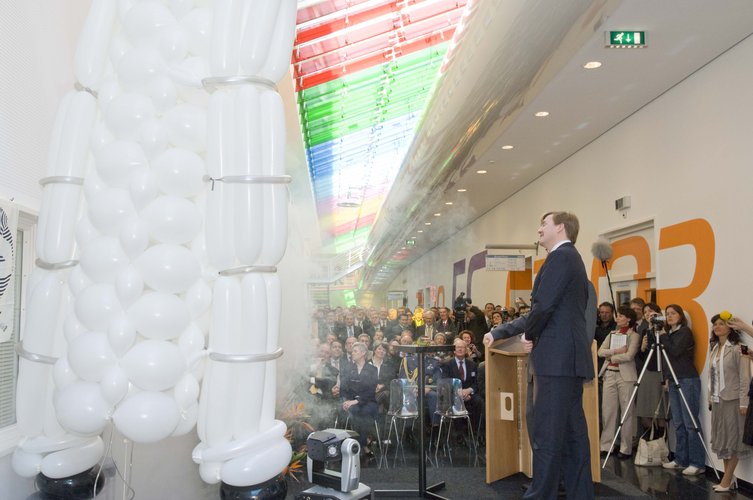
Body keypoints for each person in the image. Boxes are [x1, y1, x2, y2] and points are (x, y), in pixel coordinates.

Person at [485, 211, 594, 499]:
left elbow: (543, 308)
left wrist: (530, 336)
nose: (539, 229)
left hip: (557, 363)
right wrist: (500, 332)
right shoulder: (572, 258)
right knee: (573, 438)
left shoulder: (560, 258)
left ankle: (539, 495)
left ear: (560, 227)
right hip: (566, 362)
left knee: (547, 436)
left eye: (544, 224)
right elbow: (547, 311)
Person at [658, 304, 705, 476]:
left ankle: (697, 462)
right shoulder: (668, 334)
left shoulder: (684, 332)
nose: (669, 316)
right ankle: (680, 458)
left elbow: (676, 351)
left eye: (673, 313)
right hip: (673, 379)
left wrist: (663, 336)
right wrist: (666, 378)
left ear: (680, 316)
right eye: (667, 314)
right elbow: (663, 358)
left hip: (687, 379)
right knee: (678, 423)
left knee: (690, 423)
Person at [707, 313, 750, 491]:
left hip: (734, 401)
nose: (717, 327)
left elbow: (745, 377)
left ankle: (726, 480)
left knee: (733, 440)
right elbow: (712, 376)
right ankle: (729, 478)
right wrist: (710, 397)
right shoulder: (714, 347)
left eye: (721, 324)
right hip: (718, 400)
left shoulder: (742, 347)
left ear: (730, 327)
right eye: (715, 324)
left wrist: (744, 402)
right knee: (722, 439)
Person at [597, 305, 640, 459]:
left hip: (626, 377)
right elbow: (600, 351)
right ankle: (606, 445)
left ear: (629, 319)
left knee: (626, 413)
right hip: (609, 374)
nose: (618, 318)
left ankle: (625, 447)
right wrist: (615, 352)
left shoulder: (634, 335)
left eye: (621, 316)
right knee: (608, 411)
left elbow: (629, 356)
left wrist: (612, 358)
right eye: (618, 316)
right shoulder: (612, 333)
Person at [339, 342, 379, 456]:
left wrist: (357, 400)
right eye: (352, 351)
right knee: (355, 410)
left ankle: (359, 443)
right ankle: (364, 443)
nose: (352, 353)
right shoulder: (348, 368)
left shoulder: (372, 369)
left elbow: (371, 391)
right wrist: (345, 401)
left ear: (363, 353)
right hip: (351, 401)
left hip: (368, 401)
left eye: (355, 351)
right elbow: (343, 387)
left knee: (365, 411)